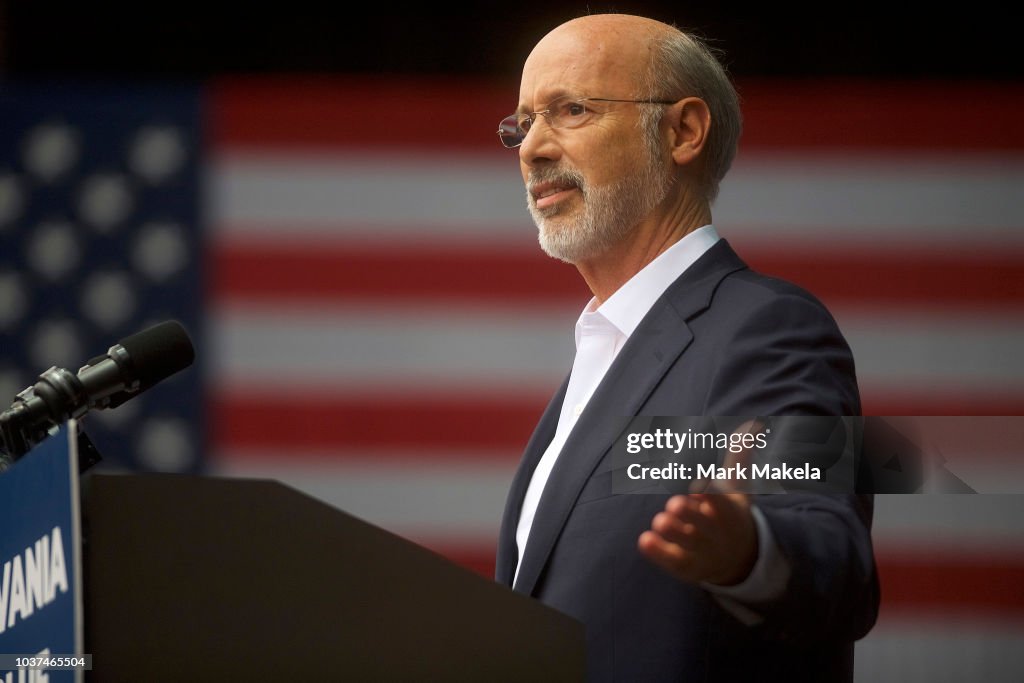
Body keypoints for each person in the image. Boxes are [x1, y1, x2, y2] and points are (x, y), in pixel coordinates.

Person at [493, 14, 879, 682]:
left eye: (571, 110)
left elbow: (833, 556)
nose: (532, 148)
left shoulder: (766, 328)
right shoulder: (603, 352)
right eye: (523, 124)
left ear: (683, 131)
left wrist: (750, 550)